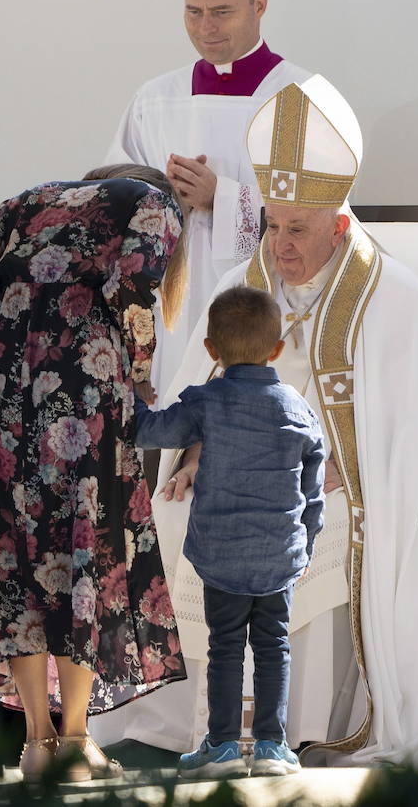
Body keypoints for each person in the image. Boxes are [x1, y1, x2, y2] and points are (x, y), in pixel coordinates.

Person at [150, 76, 418, 766]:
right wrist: (194, 454)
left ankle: (305, 727)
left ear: (339, 226)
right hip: (246, 476)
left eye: (297, 229)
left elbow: (404, 420)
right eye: (272, 225)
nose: (281, 245)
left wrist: (344, 465)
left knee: (317, 523)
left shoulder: (393, 297)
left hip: (334, 479)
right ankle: (215, 728)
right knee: (173, 511)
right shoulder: (241, 285)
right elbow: (198, 389)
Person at [0, 165, 187, 782]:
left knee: (13, 554)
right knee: (85, 547)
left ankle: (36, 741)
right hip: (84, 385)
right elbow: (133, 286)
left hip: (3, 388)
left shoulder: (24, 200)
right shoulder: (154, 201)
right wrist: (136, 370)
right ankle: (77, 738)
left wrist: (4, 355)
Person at [107, 0, 312, 402]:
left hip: (260, 303)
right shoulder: (155, 100)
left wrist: (222, 198)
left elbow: (320, 216)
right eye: (193, 11)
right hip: (170, 302)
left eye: (221, 12)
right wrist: (160, 196)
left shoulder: (299, 98)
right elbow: (109, 197)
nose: (206, 27)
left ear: (259, 4)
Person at [134, 286, 325, 778]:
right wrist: (305, 543)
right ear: (276, 349)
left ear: (210, 349)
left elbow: (149, 432)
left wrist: (130, 395)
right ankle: (271, 748)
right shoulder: (297, 409)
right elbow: (313, 490)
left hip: (221, 553)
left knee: (225, 647)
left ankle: (221, 746)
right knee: (273, 647)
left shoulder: (206, 402)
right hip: (278, 555)